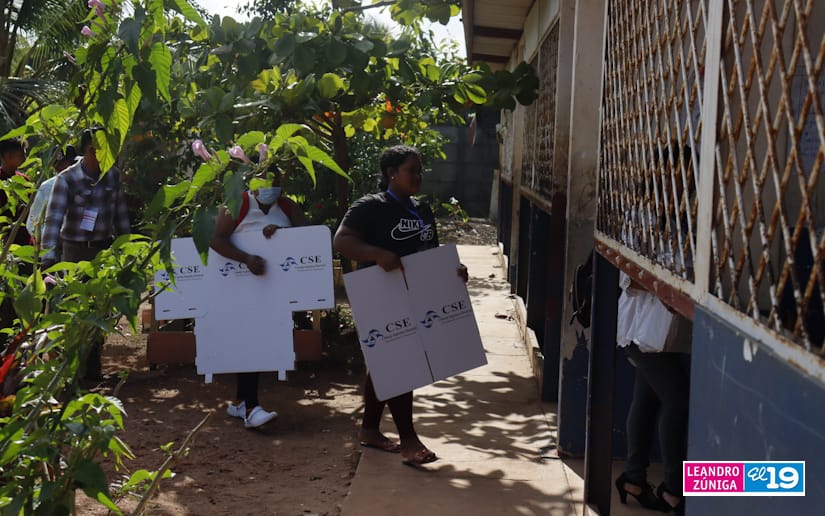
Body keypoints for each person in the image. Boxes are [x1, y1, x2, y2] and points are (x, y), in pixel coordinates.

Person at [333, 145, 468, 466]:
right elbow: (341, 240)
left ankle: (369, 430)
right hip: (381, 293)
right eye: (412, 170)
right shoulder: (370, 206)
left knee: (386, 360)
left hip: (416, 294)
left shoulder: (421, 208)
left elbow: (429, 251)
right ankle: (409, 440)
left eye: (420, 170)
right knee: (401, 361)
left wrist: (451, 273)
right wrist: (378, 254)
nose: (419, 176)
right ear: (392, 173)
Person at [211, 172, 309, 429]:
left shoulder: (287, 207)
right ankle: (251, 408)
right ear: (253, 181)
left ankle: (239, 402)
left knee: (261, 339)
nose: (271, 187)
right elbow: (215, 239)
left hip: (275, 287)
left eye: (276, 182)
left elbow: (308, 238)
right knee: (250, 339)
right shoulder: (237, 204)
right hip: (241, 286)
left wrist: (283, 235)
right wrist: (246, 259)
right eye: (265, 181)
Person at [40, 129, 131, 381]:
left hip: (103, 250)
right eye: (99, 149)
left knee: (100, 309)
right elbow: (53, 220)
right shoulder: (67, 179)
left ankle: (92, 364)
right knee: (75, 308)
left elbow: (121, 217)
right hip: (74, 252)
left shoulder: (113, 176)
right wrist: (48, 258)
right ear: (89, 150)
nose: (104, 154)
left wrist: (127, 250)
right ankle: (70, 367)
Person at [615, 271, 689, 516]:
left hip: (660, 336)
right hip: (643, 331)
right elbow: (630, 279)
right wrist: (670, 291)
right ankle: (673, 489)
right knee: (677, 401)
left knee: (647, 400)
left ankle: (633, 478)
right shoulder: (642, 242)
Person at [26, 145, 78, 250]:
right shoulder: (46, 188)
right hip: (53, 249)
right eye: (57, 164)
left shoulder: (86, 184)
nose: (59, 167)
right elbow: (32, 224)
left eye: (65, 163)